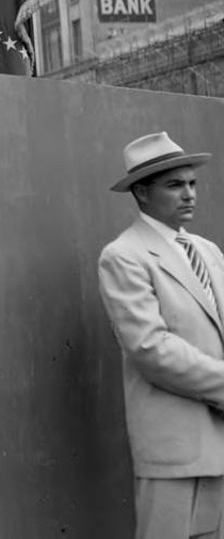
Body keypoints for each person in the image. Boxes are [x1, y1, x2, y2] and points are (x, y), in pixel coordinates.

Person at [99, 132, 224, 539]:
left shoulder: (208, 251)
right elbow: (149, 348)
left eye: (192, 183)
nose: (188, 194)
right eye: (174, 185)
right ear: (142, 192)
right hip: (176, 448)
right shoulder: (124, 255)